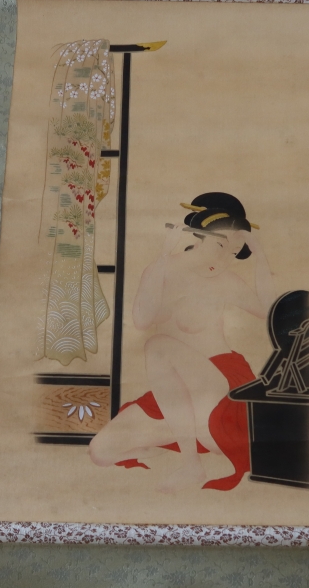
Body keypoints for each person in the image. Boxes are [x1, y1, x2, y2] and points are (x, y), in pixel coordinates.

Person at [88, 192, 276, 491]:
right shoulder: (161, 270)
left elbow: (272, 312)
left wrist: (261, 256)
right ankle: (181, 437)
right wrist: (163, 259)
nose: (224, 259)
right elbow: (141, 321)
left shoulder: (227, 281)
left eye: (234, 252)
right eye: (220, 246)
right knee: (101, 451)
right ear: (197, 234)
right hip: (174, 391)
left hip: (221, 388)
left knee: (158, 346)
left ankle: (191, 464)